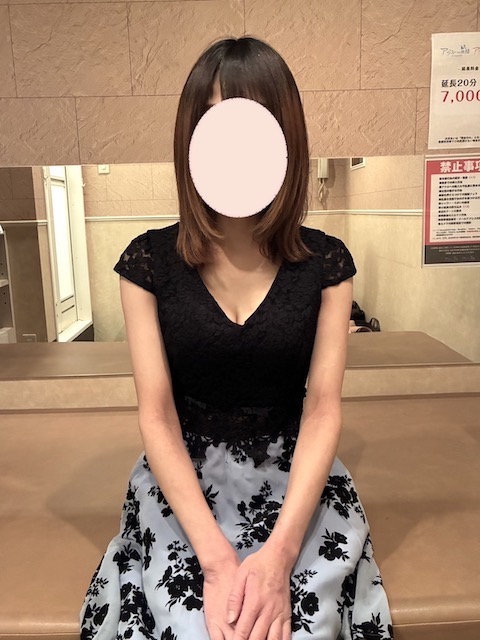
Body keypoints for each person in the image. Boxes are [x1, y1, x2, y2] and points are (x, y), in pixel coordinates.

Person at [80, 36, 393, 640]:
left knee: (303, 629)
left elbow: (323, 409)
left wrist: (278, 559)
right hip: (185, 487)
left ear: (285, 140)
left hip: (296, 485)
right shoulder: (147, 262)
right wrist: (218, 561)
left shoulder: (327, 264)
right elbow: (157, 416)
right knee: (193, 627)